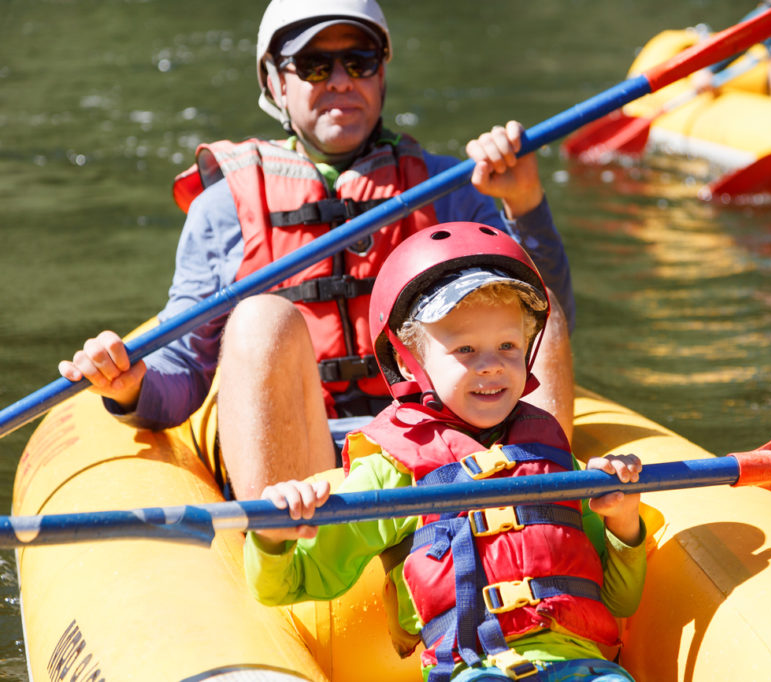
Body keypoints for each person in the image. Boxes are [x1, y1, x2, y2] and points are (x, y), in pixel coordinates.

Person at [57, 0, 577, 500]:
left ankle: (545, 507)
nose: (341, 80)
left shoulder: (452, 188)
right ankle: (284, 552)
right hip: (300, 461)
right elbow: (186, 372)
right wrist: (130, 385)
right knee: (262, 319)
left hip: (439, 440)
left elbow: (544, 329)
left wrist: (525, 204)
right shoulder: (223, 208)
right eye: (312, 65)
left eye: (360, 60)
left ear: (381, 73)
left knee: (529, 293)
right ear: (275, 82)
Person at [245, 222, 646, 682]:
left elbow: (620, 602)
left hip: (588, 671)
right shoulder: (393, 472)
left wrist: (623, 522)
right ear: (407, 361)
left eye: (508, 345)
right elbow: (295, 582)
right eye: (466, 349)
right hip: (476, 670)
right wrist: (273, 538)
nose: (491, 363)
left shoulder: (554, 459)